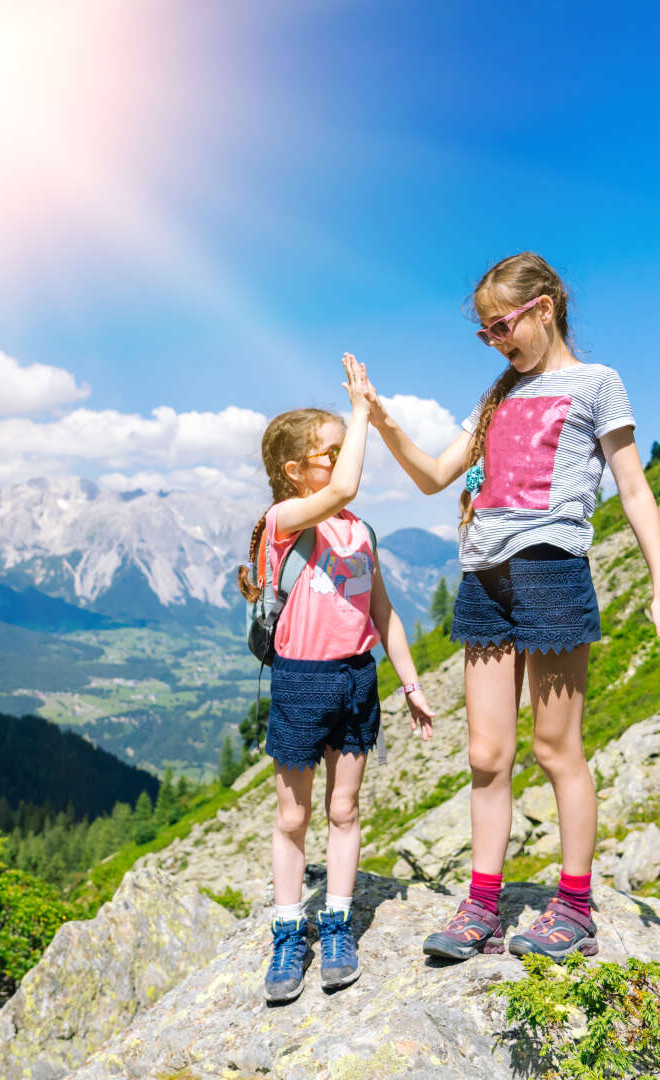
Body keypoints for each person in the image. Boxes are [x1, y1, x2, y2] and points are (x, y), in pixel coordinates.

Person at [359, 253, 660, 962]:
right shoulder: (494, 397)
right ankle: (482, 905)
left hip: (552, 574)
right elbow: (432, 478)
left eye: (502, 327)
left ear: (544, 307)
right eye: (485, 333)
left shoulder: (597, 384)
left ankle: (574, 907)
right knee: (486, 753)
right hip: (484, 577)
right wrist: (382, 420)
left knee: (555, 748)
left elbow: (635, 490)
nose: (496, 342)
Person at [236, 354, 436, 1002]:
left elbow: (385, 616)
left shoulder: (360, 533)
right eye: (333, 450)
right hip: (299, 681)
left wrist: (409, 684)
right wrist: (359, 409)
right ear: (295, 471)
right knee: (292, 815)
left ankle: (337, 922)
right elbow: (343, 489)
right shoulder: (282, 523)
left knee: (343, 809)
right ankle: (288, 932)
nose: (347, 455)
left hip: (356, 679)